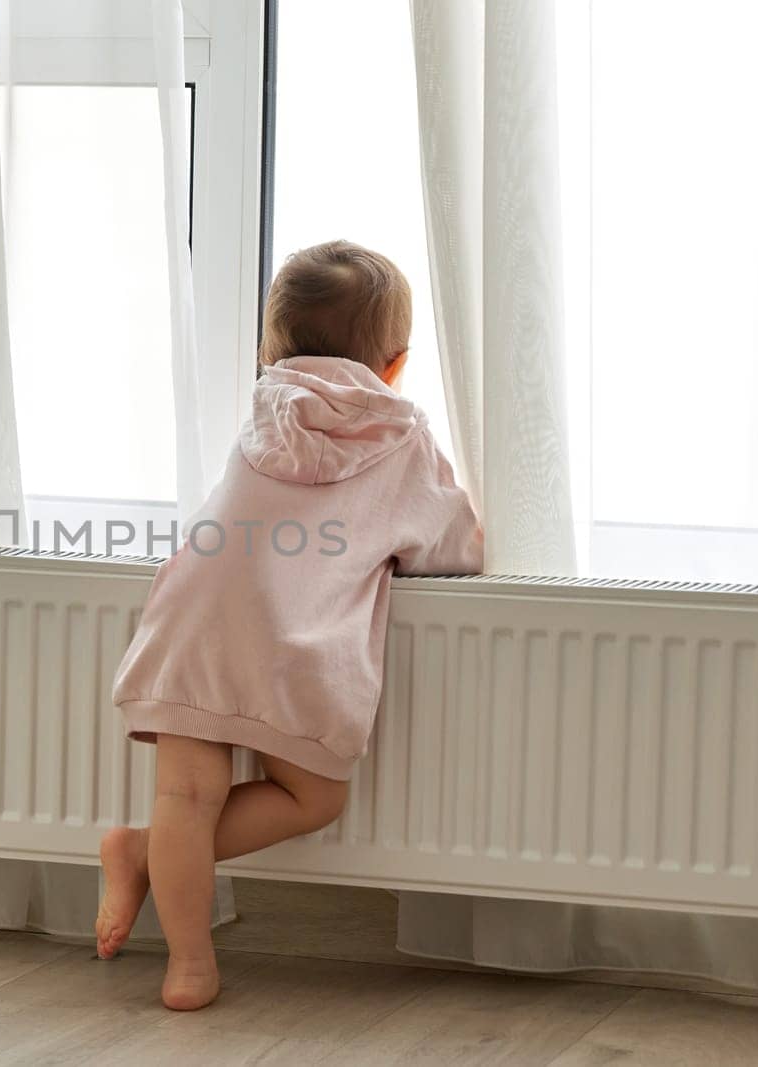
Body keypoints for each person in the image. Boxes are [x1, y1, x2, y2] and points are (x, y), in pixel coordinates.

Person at [96, 240, 485, 1010]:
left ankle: (185, 951)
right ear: (396, 363)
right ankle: (142, 854)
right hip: (289, 641)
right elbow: (455, 545)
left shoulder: (262, 413)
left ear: (269, 349)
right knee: (314, 797)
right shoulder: (400, 437)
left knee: (185, 799)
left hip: (195, 618)